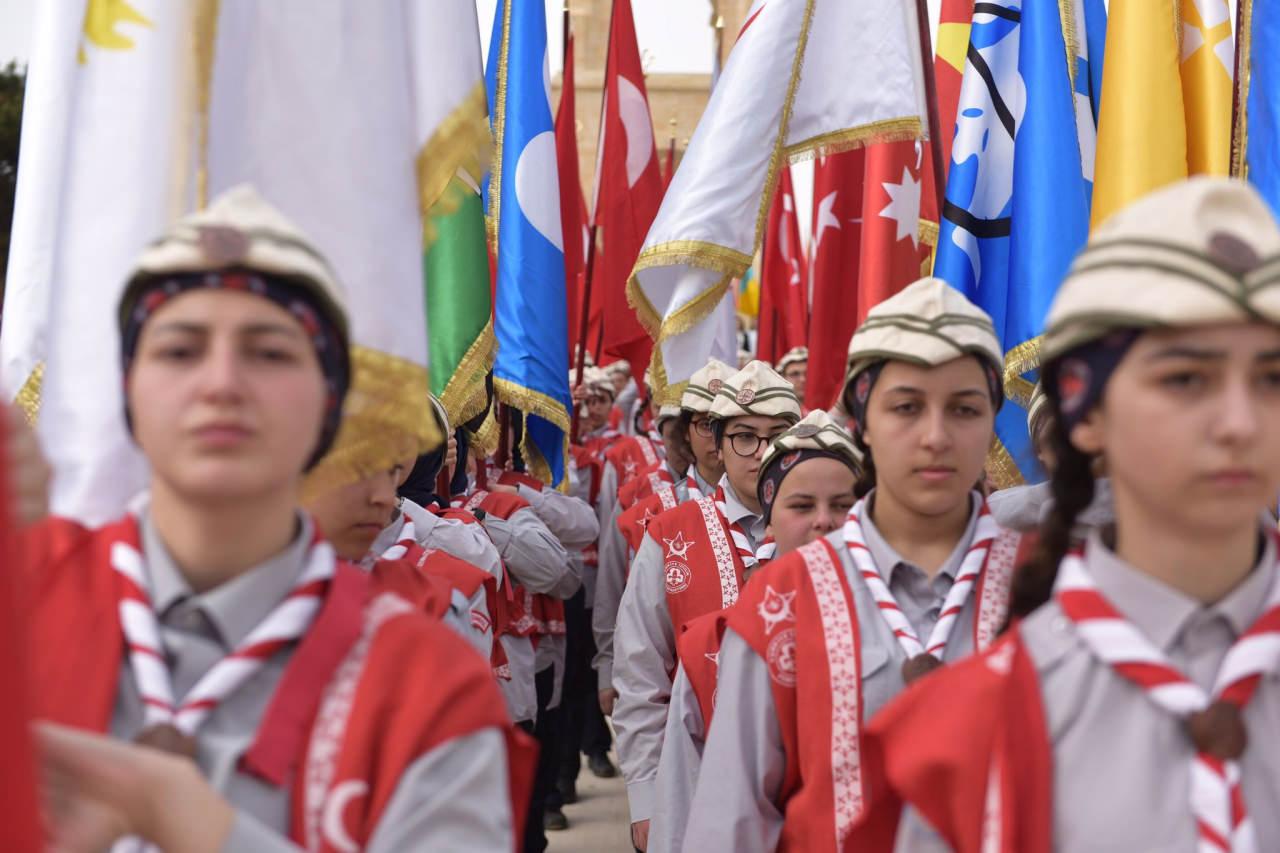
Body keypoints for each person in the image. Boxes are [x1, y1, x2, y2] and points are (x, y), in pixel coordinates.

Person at [21, 186, 529, 851]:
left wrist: (185, 818)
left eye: (268, 351)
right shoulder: (23, 606)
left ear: (328, 404)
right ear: (126, 388)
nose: (222, 382)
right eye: (180, 349)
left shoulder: (424, 677)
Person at [852, 178, 1280, 852]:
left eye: (1273, 377)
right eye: (1185, 378)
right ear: (1085, 411)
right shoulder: (974, 725)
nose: (1238, 421)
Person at [681, 277, 1023, 852]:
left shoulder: (1050, 586)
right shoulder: (781, 599)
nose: (935, 436)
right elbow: (733, 821)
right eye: (906, 406)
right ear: (862, 422)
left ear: (992, 422)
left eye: (964, 408)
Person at [649, 410, 860, 853]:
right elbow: (685, 805)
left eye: (843, 506)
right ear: (770, 518)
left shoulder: (912, 632)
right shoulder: (719, 642)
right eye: (802, 505)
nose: (824, 521)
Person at [613, 359, 801, 850]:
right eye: (744, 436)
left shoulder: (826, 532)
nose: (761, 452)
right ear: (716, 443)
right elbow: (640, 672)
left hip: (805, 786)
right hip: (693, 781)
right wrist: (646, 797)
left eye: (777, 434)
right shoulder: (670, 533)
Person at [593, 358, 732, 724]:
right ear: (682, 432)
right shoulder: (649, 510)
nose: (717, 436)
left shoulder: (775, 507)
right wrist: (607, 666)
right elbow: (611, 587)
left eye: (731, 425)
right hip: (670, 695)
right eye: (705, 424)